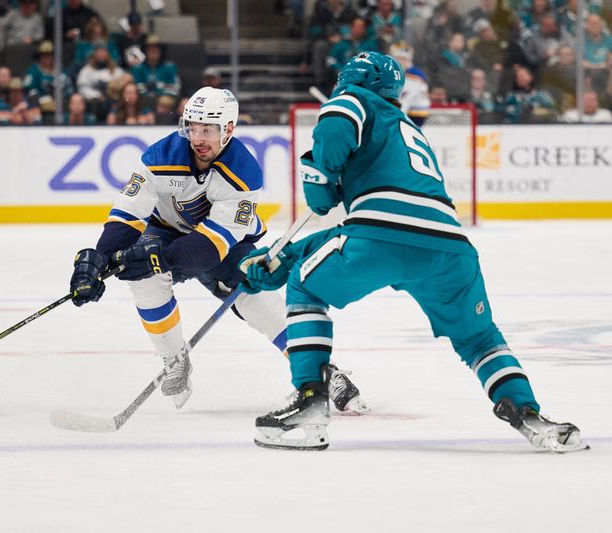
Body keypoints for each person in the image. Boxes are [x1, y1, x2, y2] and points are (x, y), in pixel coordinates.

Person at [240, 51, 587, 453]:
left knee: (306, 289)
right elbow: (347, 234)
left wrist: (322, 173)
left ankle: (310, 400)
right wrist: (280, 259)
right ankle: (528, 413)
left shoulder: (353, 100)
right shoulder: (407, 129)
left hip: (381, 238)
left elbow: (337, 129)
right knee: (480, 340)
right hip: (450, 249)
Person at [68, 87, 367, 413]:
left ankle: (323, 372)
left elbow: (209, 247)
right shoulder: (159, 157)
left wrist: (158, 260)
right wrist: (98, 260)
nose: (198, 137)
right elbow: (127, 215)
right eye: (192, 127)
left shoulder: (243, 171)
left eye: (208, 129)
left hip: (227, 244)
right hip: (165, 233)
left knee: (257, 299)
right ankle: (174, 358)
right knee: (143, 279)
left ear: (229, 129)